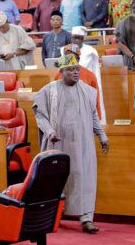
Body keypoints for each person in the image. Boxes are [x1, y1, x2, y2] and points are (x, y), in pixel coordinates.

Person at [32, 53, 109, 234]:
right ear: (62, 71)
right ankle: (52, 217)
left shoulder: (87, 90)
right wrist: (50, 131)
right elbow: (39, 115)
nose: (76, 73)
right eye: (71, 70)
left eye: (77, 69)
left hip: (83, 144)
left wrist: (102, 135)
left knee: (86, 179)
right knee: (56, 180)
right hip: (58, 143)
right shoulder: (50, 90)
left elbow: (93, 116)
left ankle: (87, 219)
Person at [61, 26, 107, 124]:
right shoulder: (65, 50)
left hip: (86, 84)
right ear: (71, 38)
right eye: (74, 38)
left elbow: (95, 72)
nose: (77, 40)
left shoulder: (91, 51)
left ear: (83, 39)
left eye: (79, 38)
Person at [54, 45, 102, 119]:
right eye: (68, 57)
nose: (70, 60)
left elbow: (96, 99)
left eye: (73, 58)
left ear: (78, 59)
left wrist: (98, 117)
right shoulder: (59, 75)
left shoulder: (90, 75)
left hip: (85, 117)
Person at [114, 0, 135, 70]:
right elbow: (120, 44)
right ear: (131, 8)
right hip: (130, 60)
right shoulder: (124, 23)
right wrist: (132, 56)